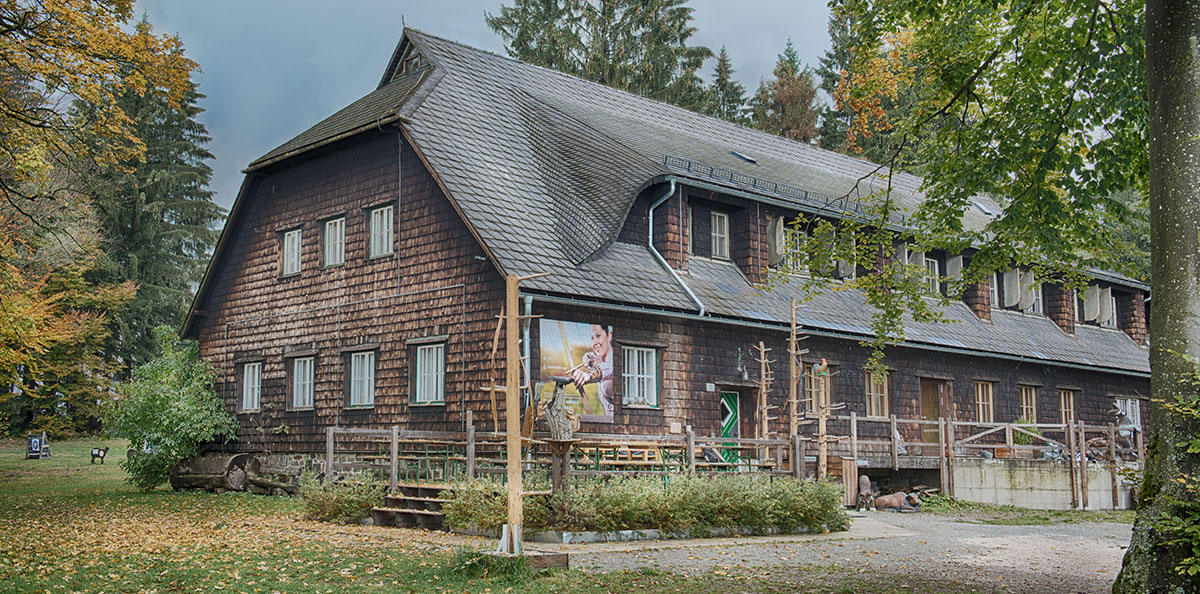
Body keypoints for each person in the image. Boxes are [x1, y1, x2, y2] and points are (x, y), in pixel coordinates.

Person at [572, 324, 614, 416]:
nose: (595, 343)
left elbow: (605, 370)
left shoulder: (614, 360)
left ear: (609, 336)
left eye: (598, 336)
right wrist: (593, 360)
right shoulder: (604, 361)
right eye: (592, 338)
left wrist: (587, 375)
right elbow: (602, 365)